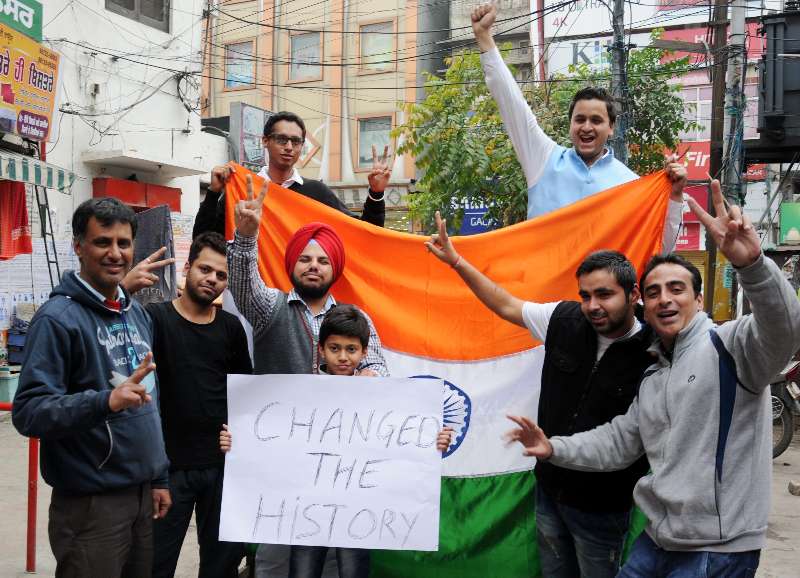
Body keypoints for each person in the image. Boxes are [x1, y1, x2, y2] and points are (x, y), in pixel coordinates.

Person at [505, 180, 800, 576]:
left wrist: (752, 266)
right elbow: (618, 441)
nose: (664, 298)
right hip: (658, 539)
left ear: (698, 300)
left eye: (676, 289)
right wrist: (552, 447)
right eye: (654, 291)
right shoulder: (653, 376)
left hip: (717, 549)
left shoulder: (732, 348)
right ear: (643, 307)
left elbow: (785, 330)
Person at [425, 215, 656, 577]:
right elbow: (505, 304)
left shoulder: (656, 349)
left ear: (634, 295)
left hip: (604, 507)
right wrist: (457, 262)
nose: (593, 305)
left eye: (605, 295)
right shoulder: (564, 319)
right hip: (549, 493)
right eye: (586, 295)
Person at [228, 175, 389, 576]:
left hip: (342, 470)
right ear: (292, 263)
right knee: (278, 563)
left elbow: (379, 372)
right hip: (281, 469)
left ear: (334, 267)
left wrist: (373, 380)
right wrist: (247, 238)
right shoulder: (269, 307)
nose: (314, 266)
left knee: (341, 564)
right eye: (305, 259)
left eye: (322, 260)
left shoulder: (357, 319)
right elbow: (243, 287)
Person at [219, 304, 452, 578]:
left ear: (365, 352)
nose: (343, 357)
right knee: (303, 572)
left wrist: (432, 441)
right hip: (306, 512)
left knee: (353, 571)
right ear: (321, 349)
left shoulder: (381, 396)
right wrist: (238, 442)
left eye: (351, 349)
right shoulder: (297, 394)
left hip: (358, 513)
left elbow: (405, 439)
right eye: (335, 348)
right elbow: (270, 437)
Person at [12, 197, 171, 578]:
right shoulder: (58, 320)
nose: (115, 253)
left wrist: (159, 475)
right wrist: (105, 401)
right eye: (103, 242)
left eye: (124, 242)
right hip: (90, 504)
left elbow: (150, 401)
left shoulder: (134, 313)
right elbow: (29, 412)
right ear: (78, 246)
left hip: (141, 494)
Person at [471, 2, 687, 223]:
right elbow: (511, 102)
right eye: (580, 119)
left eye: (596, 120)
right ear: (570, 124)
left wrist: (675, 195)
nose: (586, 127)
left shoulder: (629, 184)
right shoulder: (543, 159)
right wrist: (484, 36)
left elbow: (655, 244)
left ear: (611, 127)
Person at [145, 232, 252, 578]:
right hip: (167, 471)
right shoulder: (154, 320)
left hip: (222, 468)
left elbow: (245, 395)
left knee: (221, 566)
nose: (212, 280)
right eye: (205, 269)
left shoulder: (231, 328)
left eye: (221, 275)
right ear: (188, 268)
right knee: (154, 564)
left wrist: (240, 435)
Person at [195, 111, 391, 237]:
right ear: (265, 141)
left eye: (296, 142)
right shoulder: (243, 189)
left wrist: (376, 193)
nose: (289, 147)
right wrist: (213, 193)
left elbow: (364, 233)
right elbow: (203, 240)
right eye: (281, 139)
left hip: (301, 297)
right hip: (246, 295)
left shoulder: (317, 192)